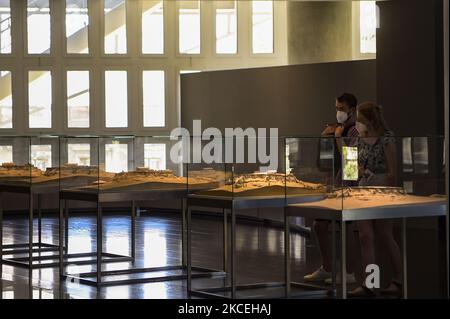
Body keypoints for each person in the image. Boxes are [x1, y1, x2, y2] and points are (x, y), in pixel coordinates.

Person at [348, 101, 403, 298]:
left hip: (382, 192)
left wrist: (389, 194)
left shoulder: (387, 139)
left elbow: (392, 173)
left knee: (385, 235)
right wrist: (359, 171)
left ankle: (398, 279)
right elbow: (350, 167)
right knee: (366, 237)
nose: (358, 124)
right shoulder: (358, 140)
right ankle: (370, 283)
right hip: (362, 192)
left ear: (371, 121)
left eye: (361, 120)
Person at [303, 93, 358, 285]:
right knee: (320, 225)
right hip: (337, 181)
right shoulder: (339, 129)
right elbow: (328, 159)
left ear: (352, 109)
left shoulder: (353, 131)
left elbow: (351, 164)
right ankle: (327, 268)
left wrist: (336, 138)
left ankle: (350, 272)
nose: (338, 112)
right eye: (336, 108)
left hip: (349, 184)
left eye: (341, 108)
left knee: (347, 227)